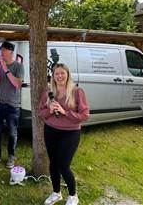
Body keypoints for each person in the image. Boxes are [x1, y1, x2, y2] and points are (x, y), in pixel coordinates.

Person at [38, 63, 89, 205]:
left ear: (67, 75)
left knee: (63, 166)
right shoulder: (48, 92)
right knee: (53, 164)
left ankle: (73, 195)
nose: (60, 76)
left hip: (70, 133)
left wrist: (65, 112)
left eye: (62, 73)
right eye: (57, 74)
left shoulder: (77, 92)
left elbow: (85, 115)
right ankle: (56, 193)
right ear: (53, 77)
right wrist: (49, 109)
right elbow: (40, 112)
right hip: (50, 131)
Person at [0, 41, 24, 169]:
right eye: (0, 50)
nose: (0, 52)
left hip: (12, 105)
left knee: (12, 133)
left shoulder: (18, 66)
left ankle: (11, 156)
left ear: (10, 52)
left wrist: (6, 69)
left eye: (3, 50)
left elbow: (17, 84)